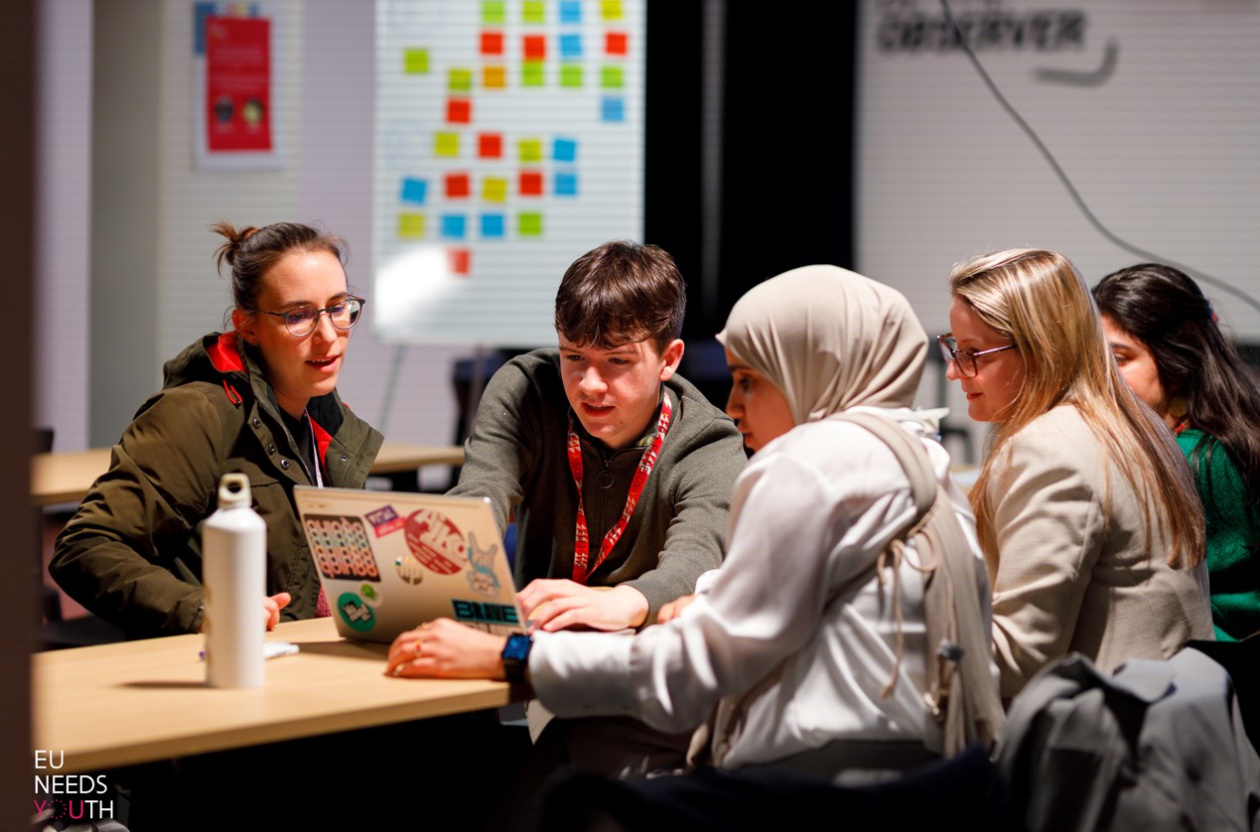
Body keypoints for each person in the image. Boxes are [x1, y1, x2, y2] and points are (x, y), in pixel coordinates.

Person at [388, 264, 1001, 780]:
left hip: (812, 781)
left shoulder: (806, 465)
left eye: (749, 381)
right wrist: (711, 598)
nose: (733, 407)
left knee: (570, 766)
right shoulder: (919, 454)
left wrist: (516, 658)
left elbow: (690, 670)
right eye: (574, 357)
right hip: (931, 777)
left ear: (812, 369)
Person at [51, 221, 383, 638]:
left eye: (338, 308)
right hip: (218, 666)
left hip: (296, 660)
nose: (328, 335)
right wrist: (206, 610)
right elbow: (85, 547)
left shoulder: (327, 419)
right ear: (247, 327)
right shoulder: (196, 413)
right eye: (298, 316)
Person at [941, 248, 1213, 699]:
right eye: (952, 347)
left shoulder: (1049, 448)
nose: (954, 371)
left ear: (1042, 348)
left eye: (973, 354)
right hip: (1166, 724)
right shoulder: (1131, 419)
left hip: (1108, 742)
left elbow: (1016, 663)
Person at [450, 240, 746, 633]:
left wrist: (625, 602)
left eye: (617, 361)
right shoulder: (526, 392)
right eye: (573, 357)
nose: (589, 384)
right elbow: (480, 500)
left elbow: (697, 559)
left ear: (669, 360)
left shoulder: (709, 443)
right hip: (535, 643)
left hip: (647, 660)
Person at [1094, 264, 1260, 642]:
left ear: (1177, 362)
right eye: (1095, 359)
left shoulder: (1192, 458)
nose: (1100, 376)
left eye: (1119, 359)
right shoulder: (1227, 432)